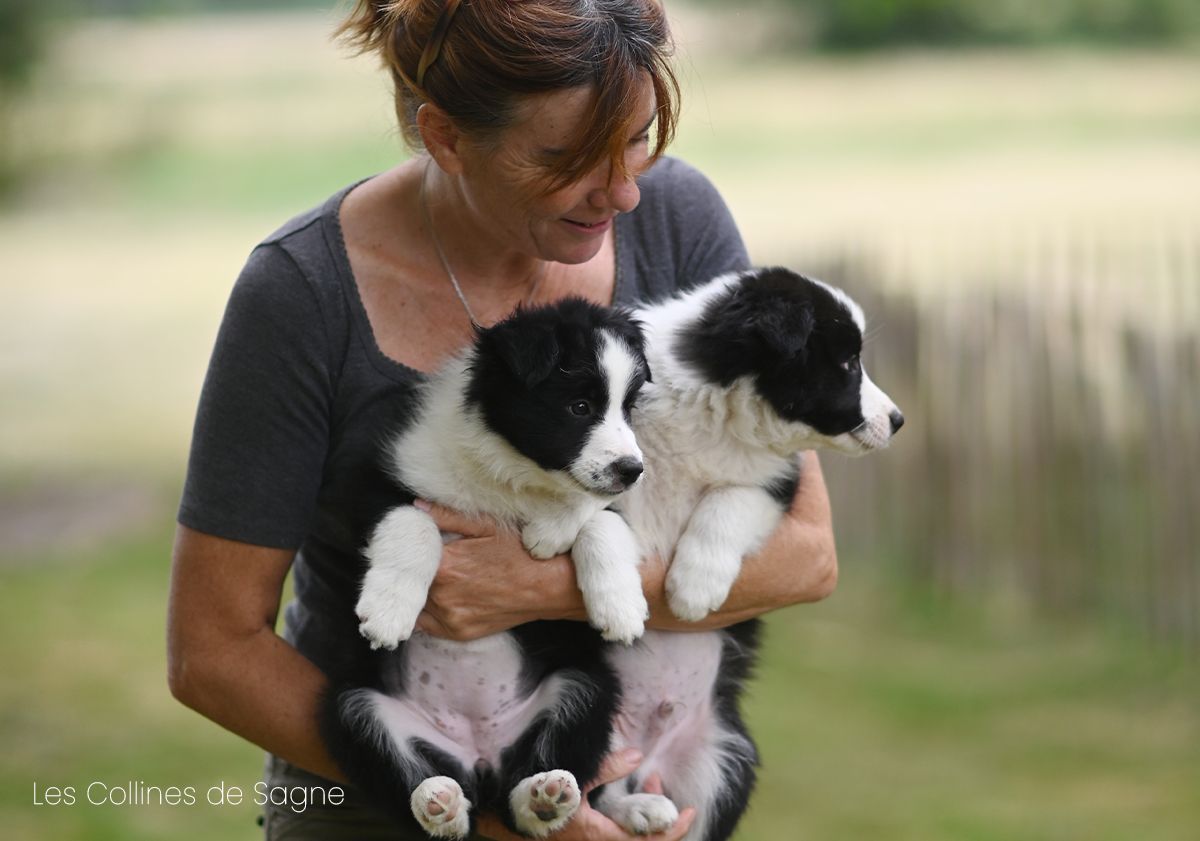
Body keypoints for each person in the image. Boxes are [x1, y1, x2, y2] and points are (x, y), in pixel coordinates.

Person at [166, 1, 839, 838]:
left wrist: (542, 588)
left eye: (635, 140)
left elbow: (806, 556)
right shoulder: (303, 293)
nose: (623, 191)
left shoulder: (677, 220)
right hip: (386, 800)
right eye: (566, 158)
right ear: (445, 135)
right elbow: (212, 650)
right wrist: (499, 820)